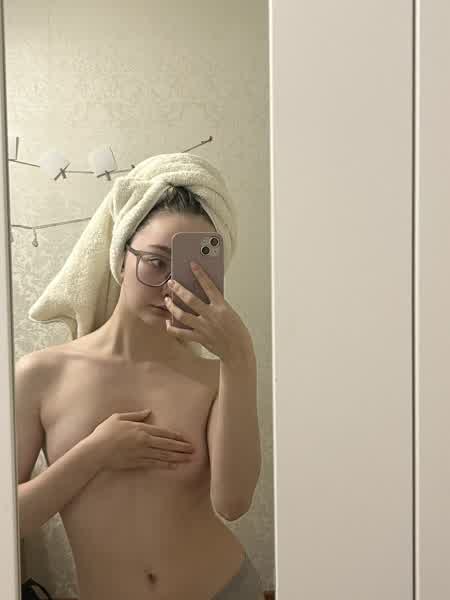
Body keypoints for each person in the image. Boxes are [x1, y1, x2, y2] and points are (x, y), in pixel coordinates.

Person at [15, 182, 264, 599]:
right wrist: (95, 453)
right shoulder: (41, 375)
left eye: (188, 270)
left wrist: (241, 359)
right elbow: (9, 522)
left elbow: (232, 503)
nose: (170, 286)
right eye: (155, 261)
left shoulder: (214, 377)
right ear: (121, 257)